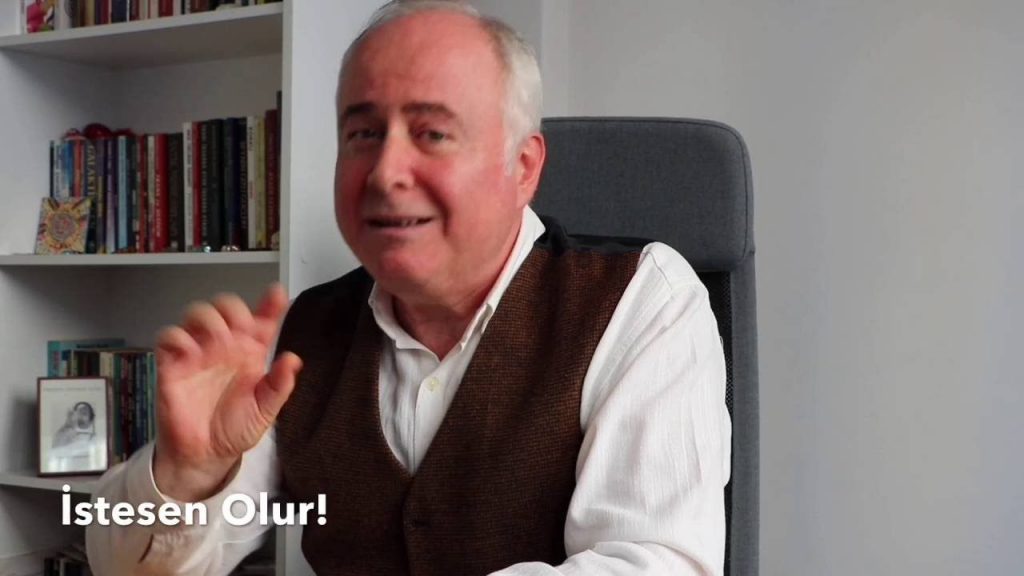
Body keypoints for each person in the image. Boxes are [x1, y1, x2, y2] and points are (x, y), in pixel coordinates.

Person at [86, 1, 732, 574]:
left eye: (432, 133)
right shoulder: (303, 333)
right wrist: (189, 473)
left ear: (523, 167)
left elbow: (654, 563)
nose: (385, 172)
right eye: (363, 134)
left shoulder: (643, 300)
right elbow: (120, 566)